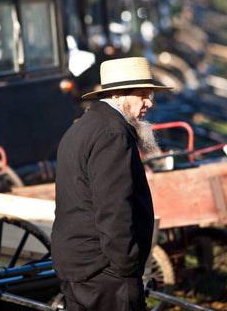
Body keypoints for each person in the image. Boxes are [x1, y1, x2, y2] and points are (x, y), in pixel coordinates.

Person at [51, 56, 172, 311]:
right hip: (104, 272)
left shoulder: (84, 126)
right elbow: (114, 208)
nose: (149, 103)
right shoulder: (111, 134)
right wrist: (126, 267)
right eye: (142, 95)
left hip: (81, 266)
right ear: (118, 95)